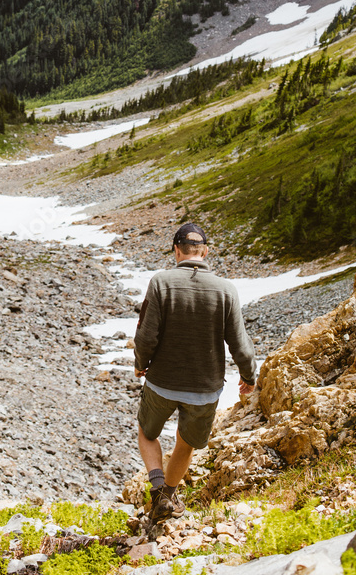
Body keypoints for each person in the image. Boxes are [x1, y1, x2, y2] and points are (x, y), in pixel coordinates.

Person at [134, 222, 257, 525]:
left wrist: (141, 362)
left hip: (162, 382)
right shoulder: (226, 290)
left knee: (147, 433)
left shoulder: (161, 282)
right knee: (185, 443)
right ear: (205, 252)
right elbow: (240, 343)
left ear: (176, 250)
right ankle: (168, 496)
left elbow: (146, 336)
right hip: (205, 388)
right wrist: (248, 376)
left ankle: (157, 486)